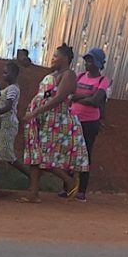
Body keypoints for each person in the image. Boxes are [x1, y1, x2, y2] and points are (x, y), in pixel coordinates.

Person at [20, 44, 89, 203]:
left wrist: (35, 112)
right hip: (41, 119)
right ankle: (33, 193)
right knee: (35, 157)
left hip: (56, 120)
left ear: (65, 59)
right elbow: (45, 95)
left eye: (56, 56)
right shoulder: (52, 74)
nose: (53, 59)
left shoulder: (69, 75)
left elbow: (59, 98)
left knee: (44, 156)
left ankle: (69, 181)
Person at [69, 48, 110, 202]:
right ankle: (67, 187)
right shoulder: (79, 76)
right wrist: (85, 97)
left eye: (90, 60)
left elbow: (95, 101)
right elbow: (71, 96)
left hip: (90, 122)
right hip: (73, 119)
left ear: (98, 64)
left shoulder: (103, 81)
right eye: (86, 60)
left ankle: (81, 190)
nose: (87, 63)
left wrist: (77, 97)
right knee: (70, 151)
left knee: (85, 154)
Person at [0, 62, 28, 178]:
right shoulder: (10, 88)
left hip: (6, 124)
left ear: (14, 74)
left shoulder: (13, 89)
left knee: (7, 154)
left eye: (6, 73)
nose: (4, 75)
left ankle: (31, 176)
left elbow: (8, 107)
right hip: (1, 123)